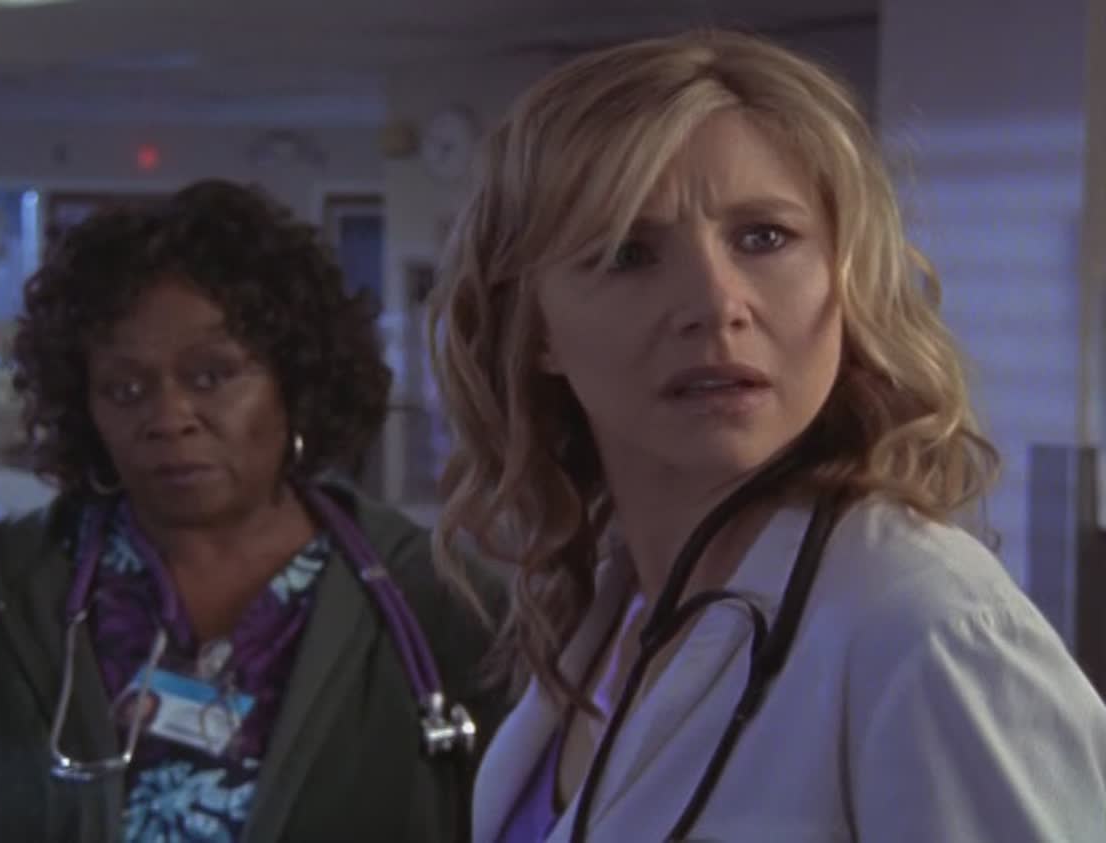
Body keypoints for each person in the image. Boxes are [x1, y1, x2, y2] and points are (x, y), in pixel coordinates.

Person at [428, 29, 1106, 843]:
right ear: (535, 328)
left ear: (846, 279)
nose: (717, 305)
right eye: (628, 253)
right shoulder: (611, 611)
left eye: (764, 237)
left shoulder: (923, 627)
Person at [0, 179, 507, 842]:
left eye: (212, 375)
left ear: (295, 380)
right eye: (124, 388)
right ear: (85, 406)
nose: (168, 416)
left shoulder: (441, 606)